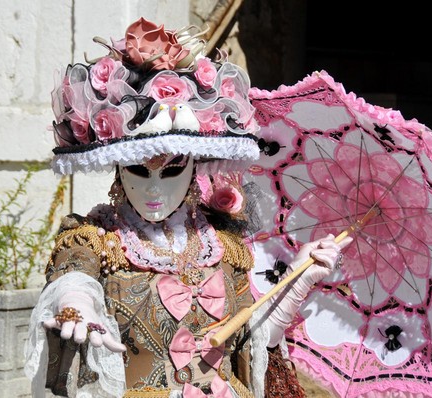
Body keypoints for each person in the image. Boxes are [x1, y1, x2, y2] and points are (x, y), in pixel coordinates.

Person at [24, 17, 351, 398]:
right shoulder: (98, 239)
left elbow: (253, 342)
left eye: (173, 170)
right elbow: (73, 280)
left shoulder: (222, 244)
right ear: (119, 166)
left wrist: (299, 277)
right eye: (139, 170)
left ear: (195, 166)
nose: (155, 188)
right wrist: (77, 307)